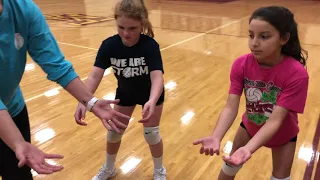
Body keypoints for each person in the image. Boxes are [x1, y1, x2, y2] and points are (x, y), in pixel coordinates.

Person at [0, 0, 131, 179]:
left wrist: (91, 102)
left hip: (13, 108)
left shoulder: (23, 9)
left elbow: (55, 63)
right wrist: (17, 143)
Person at [193, 6, 308, 180]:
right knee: (229, 166)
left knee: (280, 177)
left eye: (264, 36)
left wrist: (248, 149)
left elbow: (275, 120)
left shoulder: (297, 74)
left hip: (284, 134)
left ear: (284, 38)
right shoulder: (241, 64)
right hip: (250, 126)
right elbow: (231, 107)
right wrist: (216, 136)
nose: (254, 43)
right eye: (251, 35)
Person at [74, 0, 166, 179]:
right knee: (114, 132)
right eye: (121, 27)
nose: (126, 33)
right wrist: (83, 100)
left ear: (142, 23)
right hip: (125, 93)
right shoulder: (109, 45)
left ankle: (159, 171)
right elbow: (94, 76)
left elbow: (157, 77)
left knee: (151, 134)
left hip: (151, 95)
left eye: (132, 28)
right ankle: (109, 168)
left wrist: (152, 101)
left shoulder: (150, 46)